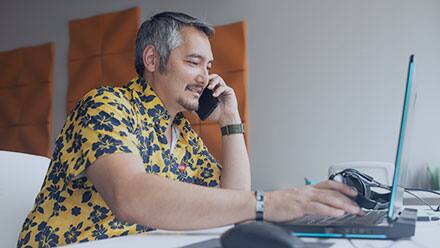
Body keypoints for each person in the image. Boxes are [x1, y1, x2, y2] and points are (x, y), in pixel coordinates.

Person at [17, 11, 361, 247]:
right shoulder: (105, 105)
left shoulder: (182, 134)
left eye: (208, 65)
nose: (206, 77)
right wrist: (267, 203)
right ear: (153, 60)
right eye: (193, 62)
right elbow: (130, 196)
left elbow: (233, 205)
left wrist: (231, 122)